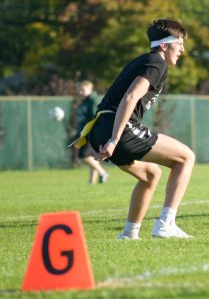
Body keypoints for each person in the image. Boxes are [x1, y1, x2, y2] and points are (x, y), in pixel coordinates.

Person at [74, 19, 196, 239]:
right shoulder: (157, 63)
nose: (182, 50)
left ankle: (130, 234)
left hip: (100, 127)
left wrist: (104, 137)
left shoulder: (143, 60)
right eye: (179, 45)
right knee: (186, 157)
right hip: (117, 129)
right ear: (164, 45)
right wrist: (113, 139)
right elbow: (130, 97)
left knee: (150, 174)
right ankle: (166, 224)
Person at [74, 80, 109, 184]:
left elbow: (95, 117)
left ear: (90, 89)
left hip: (91, 132)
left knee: (83, 155)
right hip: (85, 132)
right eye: (79, 90)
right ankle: (91, 182)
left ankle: (103, 173)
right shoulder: (84, 101)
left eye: (83, 90)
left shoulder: (93, 100)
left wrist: (91, 132)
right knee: (93, 157)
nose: (80, 92)